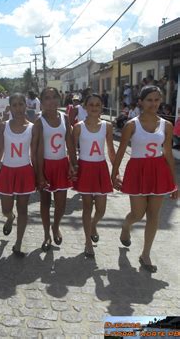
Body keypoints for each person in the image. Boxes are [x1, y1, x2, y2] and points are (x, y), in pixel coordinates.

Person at [111, 85, 177, 273]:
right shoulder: (131, 124)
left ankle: (145, 254)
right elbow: (121, 151)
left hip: (158, 171)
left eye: (157, 100)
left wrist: (174, 183)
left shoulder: (167, 125)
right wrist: (114, 173)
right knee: (138, 214)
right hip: (137, 171)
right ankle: (126, 225)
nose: (153, 104)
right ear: (140, 101)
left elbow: (168, 155)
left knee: (154, 215)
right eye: (149, 100)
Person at [33, 87, 77, 252]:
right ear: (42, 102)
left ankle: (55, 226)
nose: (51, 101)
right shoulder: (39, 121)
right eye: (47, 98)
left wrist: (74, 163)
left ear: (59, 99)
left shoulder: (65, 118)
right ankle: (46, 234)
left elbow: (70, 143)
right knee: (45, 203)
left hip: (61, 164)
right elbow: (36, 149)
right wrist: (39, 173)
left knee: (61, 204)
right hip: (44, 165)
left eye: (54, 97)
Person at [72, 94, 116, 257]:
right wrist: (73, 166)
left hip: (100, 168)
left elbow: (111, 149)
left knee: (101, 209)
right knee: (87, 207)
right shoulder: (78, 126)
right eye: (91, 104)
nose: (94, 107)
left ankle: (92, 225)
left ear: (101, 106)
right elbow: (71, 150)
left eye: (98, 104)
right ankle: (88, 242)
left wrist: (115, 170)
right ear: (85, 107)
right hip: (85, 168)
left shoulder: (107, 126)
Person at [0, 93, 36, 256]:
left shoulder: (33, 127)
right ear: (10, 107)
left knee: (23, 209)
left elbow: (34, 153)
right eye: (15, 105)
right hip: (7, 170)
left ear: (26, 106)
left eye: (21, 104)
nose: (18, 108)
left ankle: (18, 244)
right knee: (6, 208)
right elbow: (0, 149)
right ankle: (10, 217)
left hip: (25, 171)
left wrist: (38, 173)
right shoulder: (4, 125)